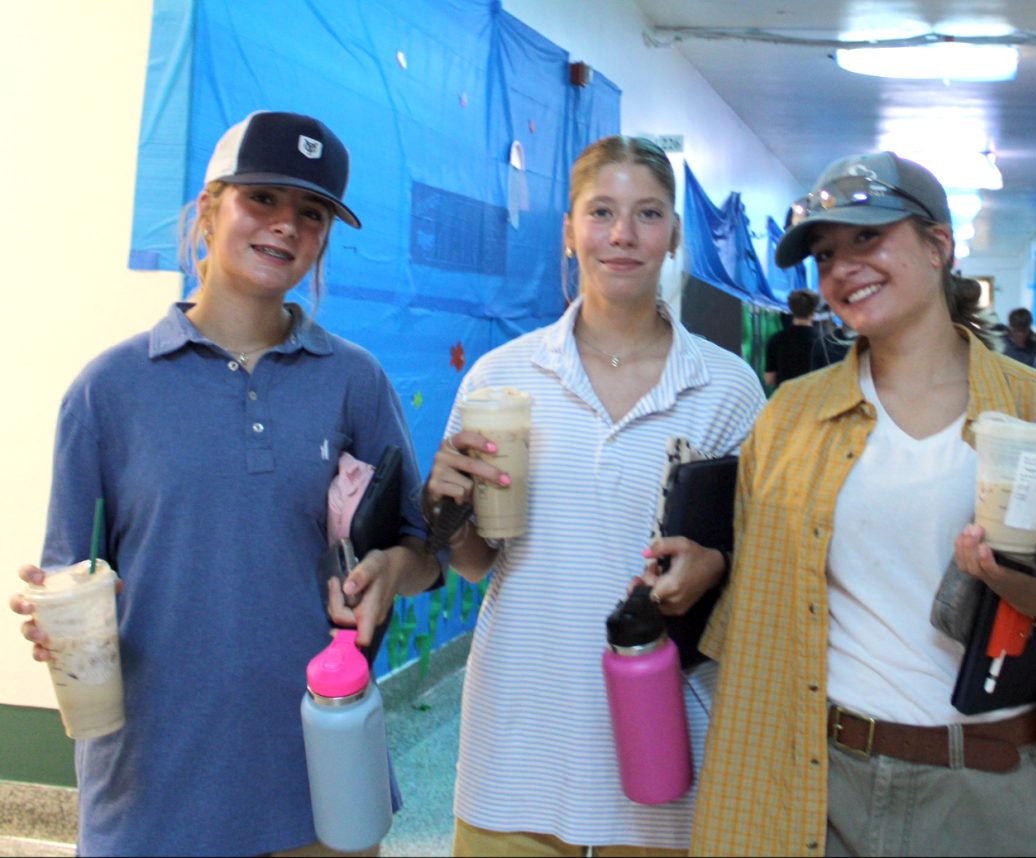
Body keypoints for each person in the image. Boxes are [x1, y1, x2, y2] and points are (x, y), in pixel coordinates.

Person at [691, 151, 1036, 856]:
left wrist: (1035, 591)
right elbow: (758, 598)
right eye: (825, 254)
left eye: (868, 237)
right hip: (818, 784)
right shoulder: (790, 420)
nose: (843, 267)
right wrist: (705, 566)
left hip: (991, 794)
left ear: (938, 245)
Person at [9, 111, 442, 856]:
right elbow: (67, 573)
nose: (285, 227)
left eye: (311, 213)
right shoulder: (108, 391)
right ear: (209, 209)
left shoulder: (354, 382)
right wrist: (58, 615)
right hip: (154, 778)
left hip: (321, 764)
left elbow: (422, 553)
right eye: (262, 200)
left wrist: (390, 569)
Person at [423, 135, 765, 856]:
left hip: (662, 738)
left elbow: (757, 565)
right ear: (570, 231)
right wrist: (450, 517)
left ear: (675, 234)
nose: (622, 235)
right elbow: (479, 563)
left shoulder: (727, 389)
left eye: (647, 214)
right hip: (517, 741)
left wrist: (715, 566)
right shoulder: (501, 379)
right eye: (601, 211)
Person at [764, 289, 821, 387]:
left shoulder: (776, 339)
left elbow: (769, 379)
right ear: (813, 312)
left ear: (791, 311)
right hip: (814, 398)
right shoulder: (822, 341)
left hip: (785, 398)